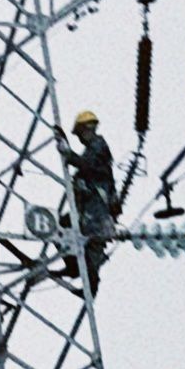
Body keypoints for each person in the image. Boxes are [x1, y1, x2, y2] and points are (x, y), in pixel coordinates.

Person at [63, 108, 119, 287]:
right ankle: (74, 266)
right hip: (90, 205)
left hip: (97, 207)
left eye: (80, 134)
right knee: (65, 226)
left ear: (87, 129)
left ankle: (89, 282)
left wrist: (68, 154)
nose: (80, 138)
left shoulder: (98, 146)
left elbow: (87, 166)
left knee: (91, 241)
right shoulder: (93, 148)